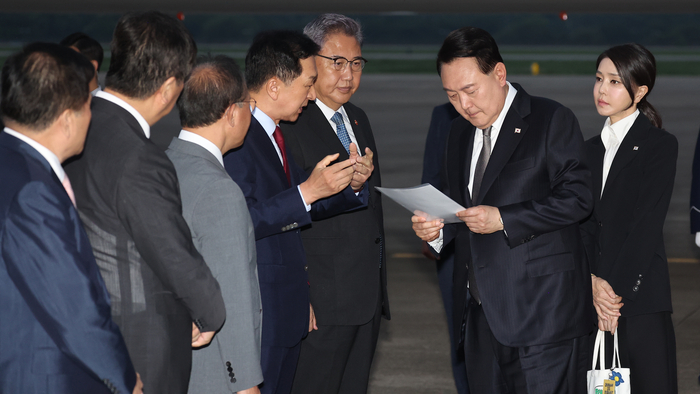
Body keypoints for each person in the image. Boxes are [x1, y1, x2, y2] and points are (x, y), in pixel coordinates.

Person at [411, 27, 593, 393]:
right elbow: (457, 207)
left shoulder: (550, 119)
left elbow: (578, 197)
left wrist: (504, 218)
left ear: (499, 74)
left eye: (470, 90)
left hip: (543, 319)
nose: (463, 105)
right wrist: (436, 231)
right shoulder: (457, 134)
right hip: (480, 319)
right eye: (451, 95)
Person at [64, 11, 226, 394]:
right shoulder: (139, 156)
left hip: (82, 329)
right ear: (170, 87)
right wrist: (211, 311)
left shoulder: (75, 127)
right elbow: (172, 252)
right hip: (139, 345)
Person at [223, 30, 370, 394]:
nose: (311, 94)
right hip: (262, 313)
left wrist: (348, 185)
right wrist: (307, 190)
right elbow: (243, 221)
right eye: (307, 84)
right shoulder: (241, 139)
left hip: (287, 306)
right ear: (274, 86)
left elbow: (301, 204)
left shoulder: (275, 134)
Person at [0, 42, 142, 394]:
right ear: (67, 119)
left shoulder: (11, 163)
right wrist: (125, 379)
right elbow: (75, 311)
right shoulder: (34, 193)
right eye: (88, 105)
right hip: (48, 376)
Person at [279, 14, 389, 394]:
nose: (348, 74)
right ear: (310, 62)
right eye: (337, 62)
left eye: (356, 63)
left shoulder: (357, 118)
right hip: (321, 303)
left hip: (365, 299)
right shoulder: (291, 123)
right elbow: (284, 211)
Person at [580, 43, 678, 394]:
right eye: (598, 79)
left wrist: (613, 297)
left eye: (615, 82)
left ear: (640, 91)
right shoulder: (586, 150)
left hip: (639, 301)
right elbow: (581, 223)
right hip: (592, 300)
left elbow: (645, 226)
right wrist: (592, 283)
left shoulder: (660, 146)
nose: (602, 90)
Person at [166, 55, 263, 394]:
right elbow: (233, 298)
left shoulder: (161, 165)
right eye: (249, 104)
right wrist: (246, 383)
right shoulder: (218, 191)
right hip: (213, 376)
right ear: (231, 112)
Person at [420, 102, 469, 394]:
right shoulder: (444, 113)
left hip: (501, 242)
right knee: (460, 335)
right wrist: (431, 237)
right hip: (452, 242)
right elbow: (432, 176)